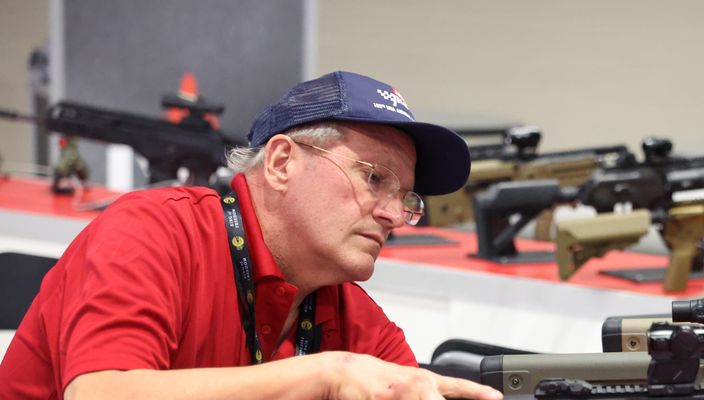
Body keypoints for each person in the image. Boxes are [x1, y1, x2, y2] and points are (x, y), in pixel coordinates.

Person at [0, 71, 504, 400]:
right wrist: (322, 377)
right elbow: (101, 394)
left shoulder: (351, 314)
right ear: (282, 162)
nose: (395, 213)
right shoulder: (152, 230)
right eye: (374, 179)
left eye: (408, 198)